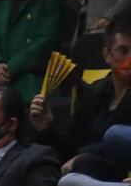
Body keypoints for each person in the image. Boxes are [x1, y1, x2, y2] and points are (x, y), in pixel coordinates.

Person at [30, 18, 131, 158]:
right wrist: (46, 128)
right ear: (107, 55)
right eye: (123, 51)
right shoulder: (94, 93)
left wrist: (85, 156)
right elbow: (72, 149)